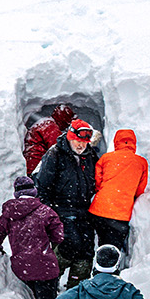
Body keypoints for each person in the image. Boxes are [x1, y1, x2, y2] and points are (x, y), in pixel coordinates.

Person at [32, 116, 101, 287]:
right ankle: (46, 281)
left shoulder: (90, 156)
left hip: (83, 211)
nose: (80, 145)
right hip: (60, 209)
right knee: (69, 244)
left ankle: (77, 290)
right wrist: (48, 214)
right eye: (77, 141)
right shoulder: (55, 154)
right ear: (70, 138)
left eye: (84, 142)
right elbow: (42, 186)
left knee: (86, 250)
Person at [88, 129, 149, 256]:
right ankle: (109, 270)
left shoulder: (106, 158)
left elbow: (97, 181)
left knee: (101, 243)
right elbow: (140, 190)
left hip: (99, 210)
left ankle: (99, 266)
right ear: (133, 143)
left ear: (116, 141)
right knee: (112, 249)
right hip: (120, 215)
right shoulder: (141, 162)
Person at [23, 103, 75, 176]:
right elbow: (59, 148)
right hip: (37, 165)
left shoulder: (44, 122)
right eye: (67, 123)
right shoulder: (51, 127)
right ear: (63, 120)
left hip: (31, 162)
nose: (66, 127)